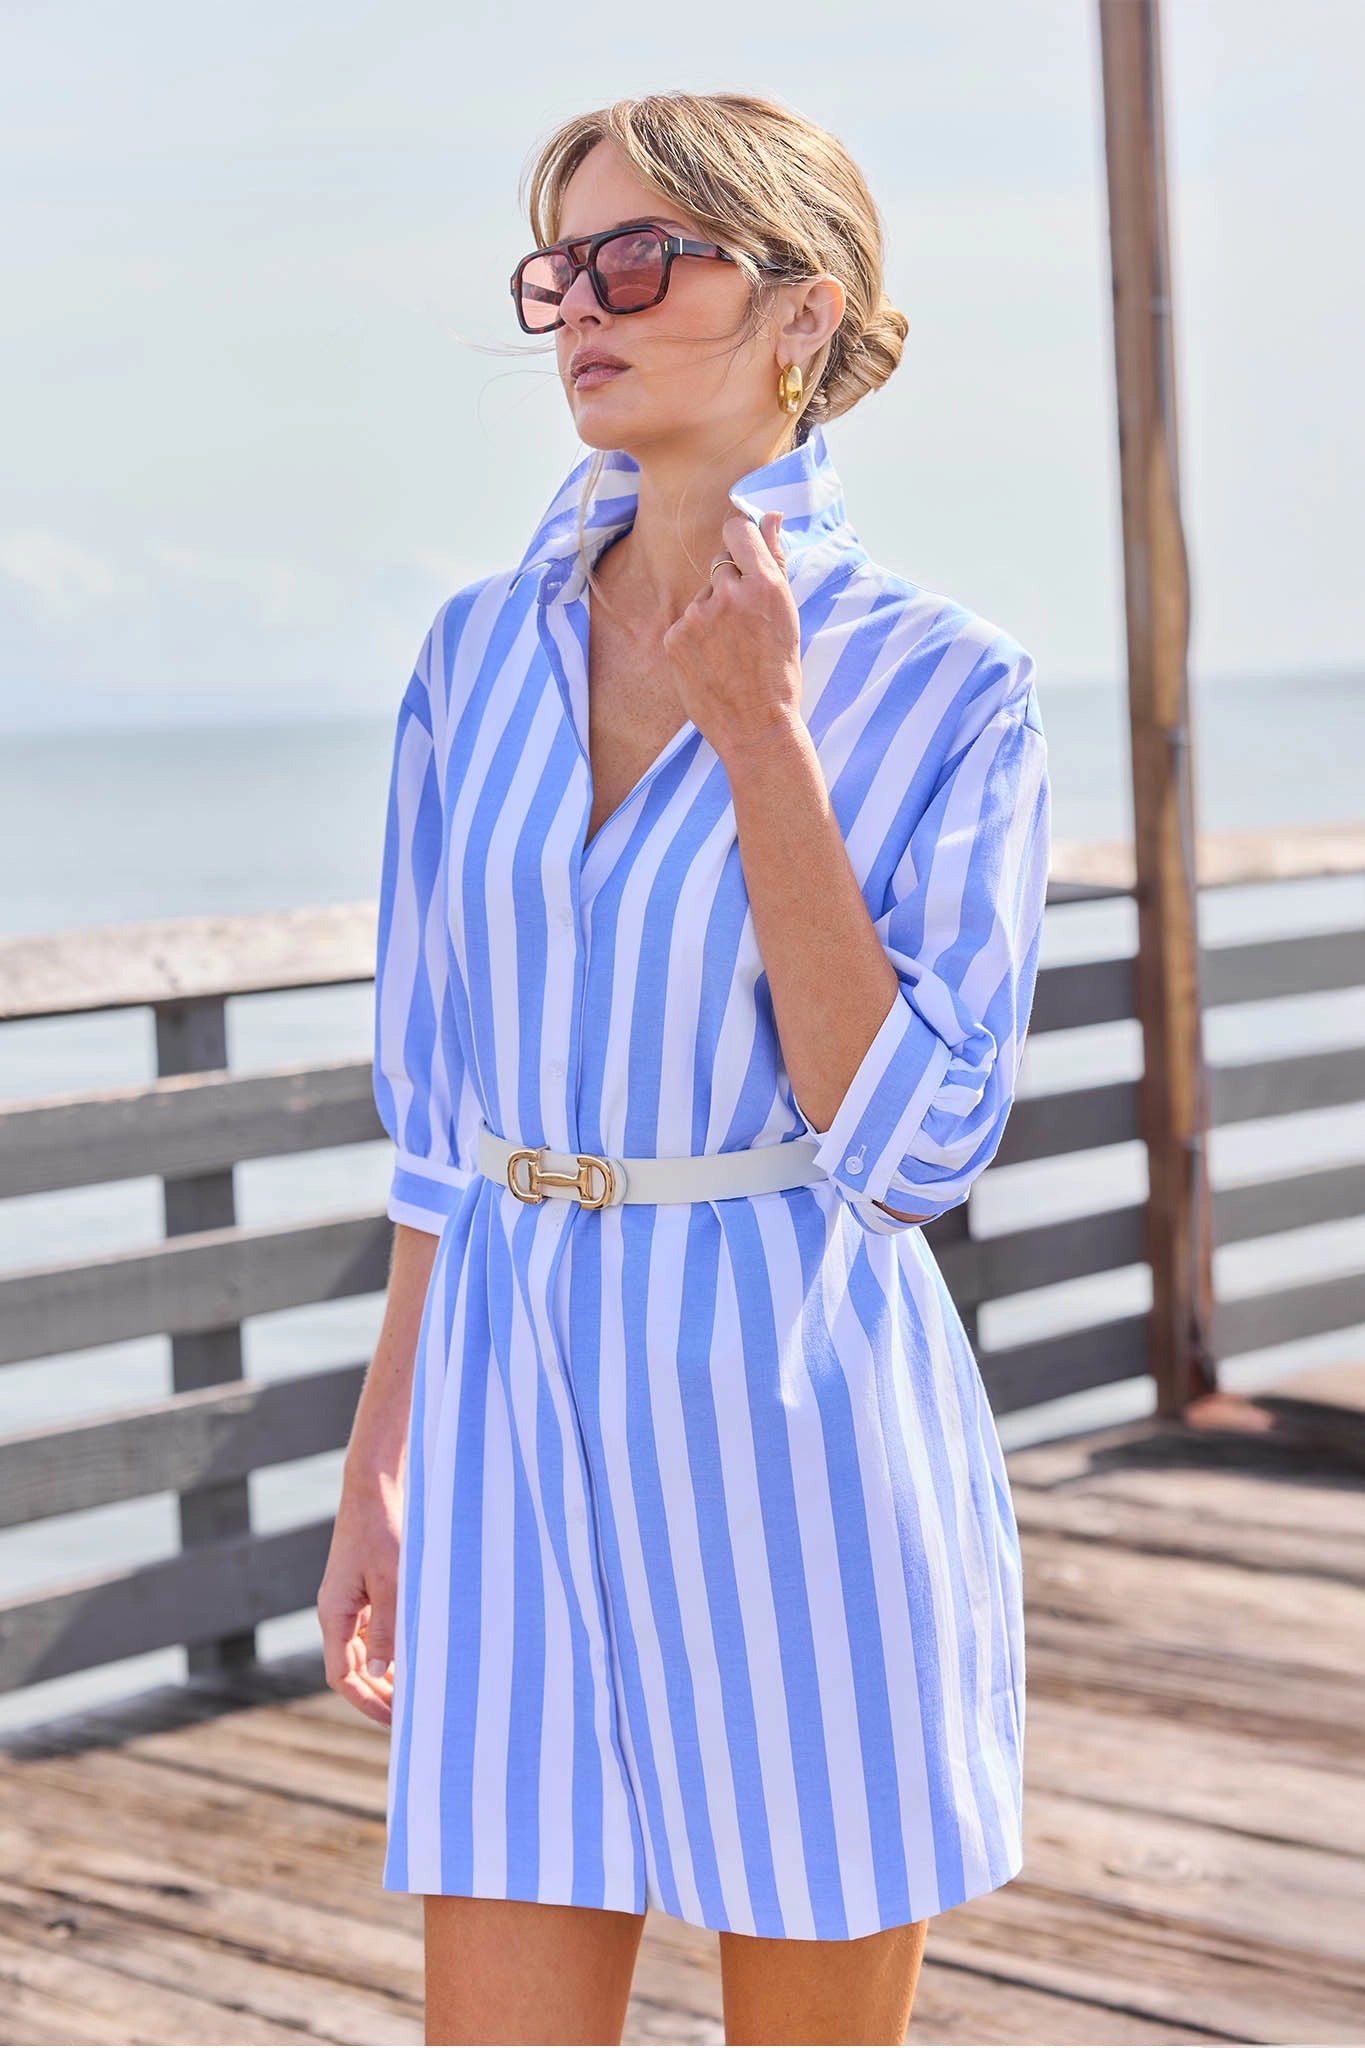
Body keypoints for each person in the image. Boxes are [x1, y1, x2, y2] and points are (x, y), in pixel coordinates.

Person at [318, 89, 1050, 2048]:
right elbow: (439, 1111)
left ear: (802, 311)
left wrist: (763, 742)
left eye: (639, 258)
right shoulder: (471, 662)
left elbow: (911, 1148)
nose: (581, 303)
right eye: (559, 266)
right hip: (505, 1414)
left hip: (789, 1432)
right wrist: (381, 1459)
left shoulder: (947, 685)